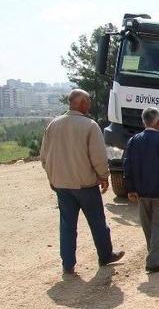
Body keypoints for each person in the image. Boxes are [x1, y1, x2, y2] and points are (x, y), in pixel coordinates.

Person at [40, 89, 125, 274]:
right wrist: (103, 176)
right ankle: (105, 256)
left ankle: (68, 264)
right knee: (97, 222)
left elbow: (44, 157)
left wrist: (52, 178)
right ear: (83, 103)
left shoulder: (53, 124)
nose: (90, 104)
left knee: (67, 225)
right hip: (85, 185)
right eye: (88, 101)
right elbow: (98, 156)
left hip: (62, 186)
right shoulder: (90, 125)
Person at [124, 107, 159, 273]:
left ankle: (153, 255)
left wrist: (131, 188)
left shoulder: (133, 141)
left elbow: (127, 166)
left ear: (144, 121)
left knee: (148, 227)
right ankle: (153, 261)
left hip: (142, 193)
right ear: (158, 122)